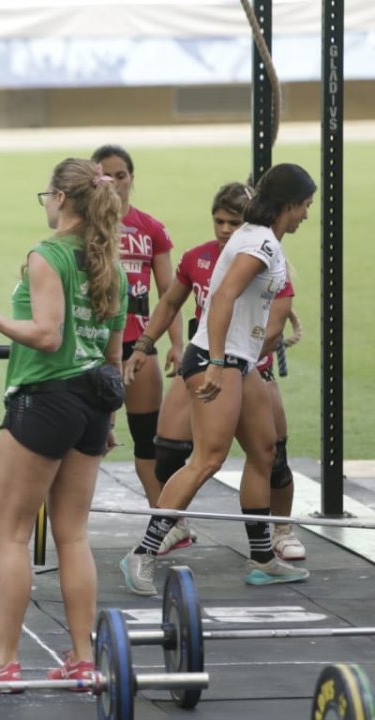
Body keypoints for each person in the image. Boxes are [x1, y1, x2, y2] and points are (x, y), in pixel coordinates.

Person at [0, 158, 126, 687]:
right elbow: (112, 357)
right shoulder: (110, 264)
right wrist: (108, 421)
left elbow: (47, 336)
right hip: (92, 407)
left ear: (62, 199)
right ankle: (82, 658)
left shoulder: (46, 255)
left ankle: (1, 662)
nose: (45, 203)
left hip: (45, 402)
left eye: (46, 195)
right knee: (72, 535)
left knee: (12, 535)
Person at [119, 163, 316, 596]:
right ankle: (142, 553)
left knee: (264, 452)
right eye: (304, 206)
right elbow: (224, 295)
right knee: (206, 460)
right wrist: (217, 361)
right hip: (218, 360)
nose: (306, 215)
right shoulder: (260, 244)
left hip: (239, 363)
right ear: (288, 205)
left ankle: (263, 558)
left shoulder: (259, 238)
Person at [92, 145, 183, 523]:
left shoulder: (151, 230)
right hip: (94, 348)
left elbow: (170, 294)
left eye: (121, 175)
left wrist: (178, 344)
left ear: (131, 178)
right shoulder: (84, 229)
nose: (114, 182)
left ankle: (166, 520)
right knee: (88, 439)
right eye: (105, 176)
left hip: (139, 348)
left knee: (149, 440)